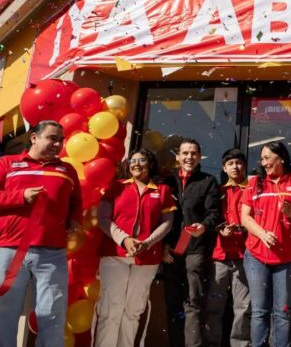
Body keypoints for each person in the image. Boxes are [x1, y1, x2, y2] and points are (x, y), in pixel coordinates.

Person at [0, 120, 82, 346]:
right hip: (9, 250)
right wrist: (20, 197)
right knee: (4, 314)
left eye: (61, 140)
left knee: (52, 316)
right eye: (52, 138)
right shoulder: (6, 163)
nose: (58, 144)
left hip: (52, 254)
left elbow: (76, 201)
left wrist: (75, 219)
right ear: (34, 138)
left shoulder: (67, 170)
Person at [94, 148, 175, 347]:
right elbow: (103, 219)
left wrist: (147, 243)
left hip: (147, 258)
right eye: (133, 161)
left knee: (133, 310)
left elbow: (167, 223)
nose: (136, 164)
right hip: (114, 255)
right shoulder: (116, 187)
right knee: (110, 309)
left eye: (142, 160)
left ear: (151, 164)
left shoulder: (163, 190)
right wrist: (124, 239)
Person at [240, 141, 291, 347]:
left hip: (289, 258)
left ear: (281, 158)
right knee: (259, 311)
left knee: (283, 312)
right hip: (256, 256)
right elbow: (245, 217)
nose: (263, 163)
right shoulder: (255, 182)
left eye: (267, 158)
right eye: (262, 159)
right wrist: (262, 234)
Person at [162, 138, 222, 347]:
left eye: (194, 153)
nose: (189, 157)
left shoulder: (208, 181)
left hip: (195, 250)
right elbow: (159, 216)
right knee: (173, 303)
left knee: (192, 301)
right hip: (170, 251)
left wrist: (204, 226)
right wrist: (163, 245)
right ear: (178, 157)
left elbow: (214, 213)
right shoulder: (167, 182)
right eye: (185, 153)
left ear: (199, 156)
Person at [206, 148, 252, 347]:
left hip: (246, 256)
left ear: (245, 166)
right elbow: (209, 217)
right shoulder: (217, 191)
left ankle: (240, 344)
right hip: (220, 255)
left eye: (239, 163)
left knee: (244, 307)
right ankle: (212, 344)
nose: (235, 167)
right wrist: (220, 228)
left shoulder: (253, 190)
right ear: (224, 168)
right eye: (230, 163)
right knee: (214, 307)